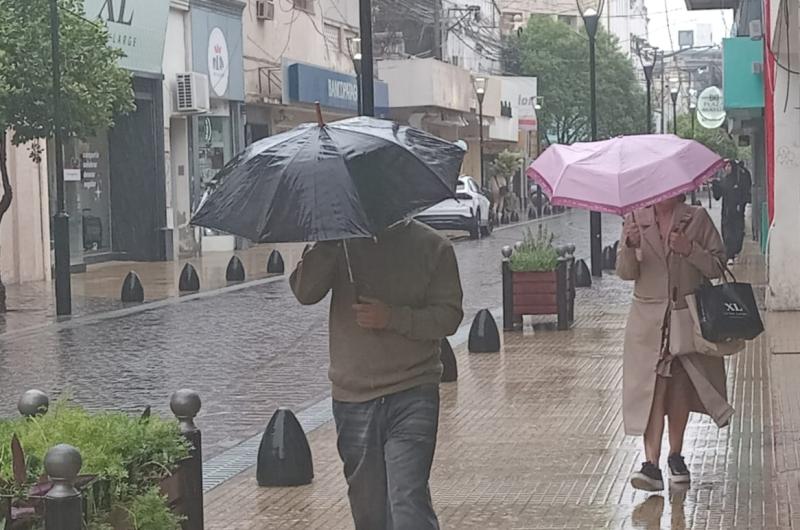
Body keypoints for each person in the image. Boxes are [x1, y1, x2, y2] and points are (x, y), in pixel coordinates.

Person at [290, 219, 464, 530]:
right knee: (368, 511)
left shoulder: (432, 246)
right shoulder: (337, 244)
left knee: (408, 501)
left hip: (413, 390)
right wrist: (328, 241)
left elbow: (449, 316)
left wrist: (393, 317)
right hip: (353, 397)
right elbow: (305, 292)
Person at [616, 195, 733, 492]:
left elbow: (717, 267)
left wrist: (689, 250)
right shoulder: (635, 220)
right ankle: (651, 464)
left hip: (686, 319)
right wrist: (628, 247)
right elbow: (626, 273)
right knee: (652, 389)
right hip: (647, 323)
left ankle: (675, 455)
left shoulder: (697, 218)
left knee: (679, 386)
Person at [712, 160, 752, 264]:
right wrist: (715, 185)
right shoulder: (724, 180)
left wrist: (741, 204)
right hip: (726, 212)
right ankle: (729, 254)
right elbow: (717, 196)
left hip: (737, 212)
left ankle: (735, 251)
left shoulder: (740, 179)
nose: (727, 168)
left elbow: (745, 193)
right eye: (726, 166)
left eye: (729, 166)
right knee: (727, 234)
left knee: (738, 233)